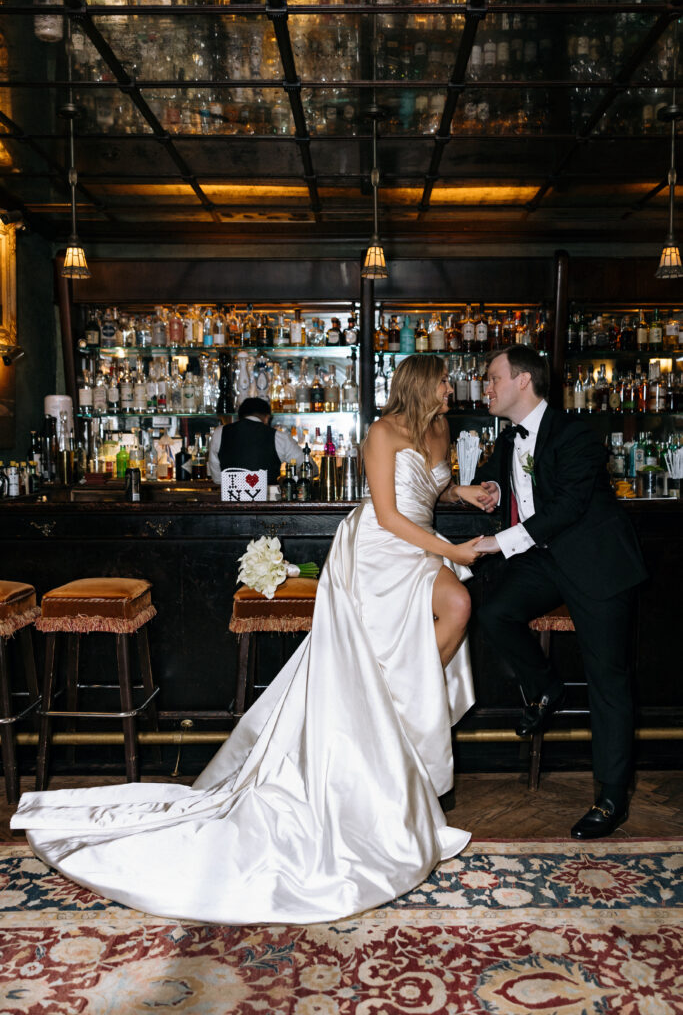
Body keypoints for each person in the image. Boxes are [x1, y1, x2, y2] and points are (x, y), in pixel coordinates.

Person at [12, 355, 487, 925]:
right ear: (420, 382)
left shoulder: (442, 428)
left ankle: (389, 710)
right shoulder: (383, 431)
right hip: (381, 550)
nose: (453, 385)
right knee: (452, 603)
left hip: (421, 541)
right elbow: (387, 513)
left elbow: (429, 488)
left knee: (456, 608)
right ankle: (380, 718)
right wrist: (455, 553)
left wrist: (465, 494)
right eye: (443, 379)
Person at [461, 345, 647, 840]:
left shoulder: (576, 433)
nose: (486, 386)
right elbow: (515, 489)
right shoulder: (507, 439)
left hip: (597, 561)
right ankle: (545, 686)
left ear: (524, 381)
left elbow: (567, 506)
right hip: (547, 560)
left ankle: (610, 799)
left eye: (493, 377)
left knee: (608, 681)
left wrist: (497, 542)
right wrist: (496, 493)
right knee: (495, 611)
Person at [207, 396, 316, 485]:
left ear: (239, 418)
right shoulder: (278, 437)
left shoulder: (219, 433)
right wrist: (289, 477)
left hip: (230, 507)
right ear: (267, 418)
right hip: (266, 508)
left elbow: (217, 479)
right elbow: (311, 469)